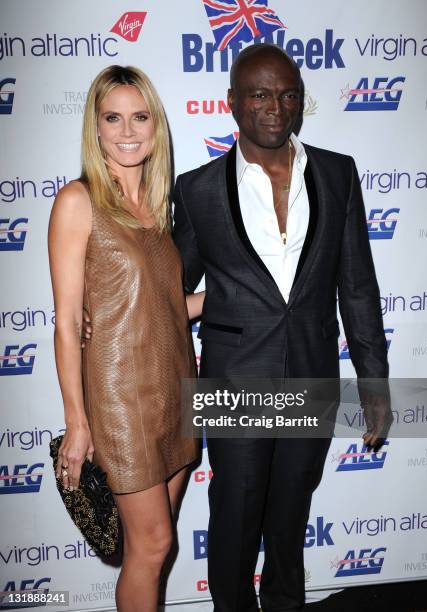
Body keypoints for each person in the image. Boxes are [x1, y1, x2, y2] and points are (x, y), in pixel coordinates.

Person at [171, 44, 389, 611]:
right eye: (261, 94)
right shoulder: (197, 189)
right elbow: (170, 291)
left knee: (291, 523)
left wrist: (374, 384)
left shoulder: (337, 173)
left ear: (300, 104)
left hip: (311, 377)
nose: (276, 106)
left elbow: (358, 287)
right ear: (233, 103)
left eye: (288, 94)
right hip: (233, 381)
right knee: (235, 522)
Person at [48, 65, 203, 612]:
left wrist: (232, 296)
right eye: (113, 117)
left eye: (140, 117)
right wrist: (77, 421)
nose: (128, 130)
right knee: (153, 543)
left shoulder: (159, 211)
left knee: (153, 548)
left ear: (157, 126)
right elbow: (67, 322)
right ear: (95, 127)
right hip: (121, 401)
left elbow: (160, 310)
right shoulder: (78, 201)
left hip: (176, 390)